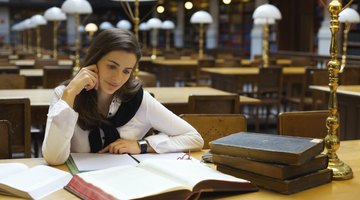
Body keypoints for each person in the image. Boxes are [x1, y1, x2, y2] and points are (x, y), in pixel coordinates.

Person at [42, 29, 204, 165]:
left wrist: (142, 146)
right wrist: (70, 94)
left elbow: (194, 138)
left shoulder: (138, 99)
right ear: (95, 61)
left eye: (126, 71)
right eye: (112, 66)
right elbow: (54, 158)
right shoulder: (66, 95)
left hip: (127, 183)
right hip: (76, 182)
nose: (118, 78)